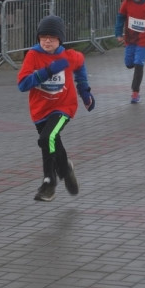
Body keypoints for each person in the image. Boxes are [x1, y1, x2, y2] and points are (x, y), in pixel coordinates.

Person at [17, 15, 94, 202]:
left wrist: (85, 92)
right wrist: (47, 71)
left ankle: (49, 182)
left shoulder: (67, 57)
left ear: (60, 39)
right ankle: (65, 169)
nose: (47, 41)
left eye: (52, 37)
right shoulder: (33, 55)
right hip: (40, 110)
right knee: (51, 141)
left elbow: (80, 64)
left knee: (47, 138)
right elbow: (23, 84)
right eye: (43, 37)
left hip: (63, 107)